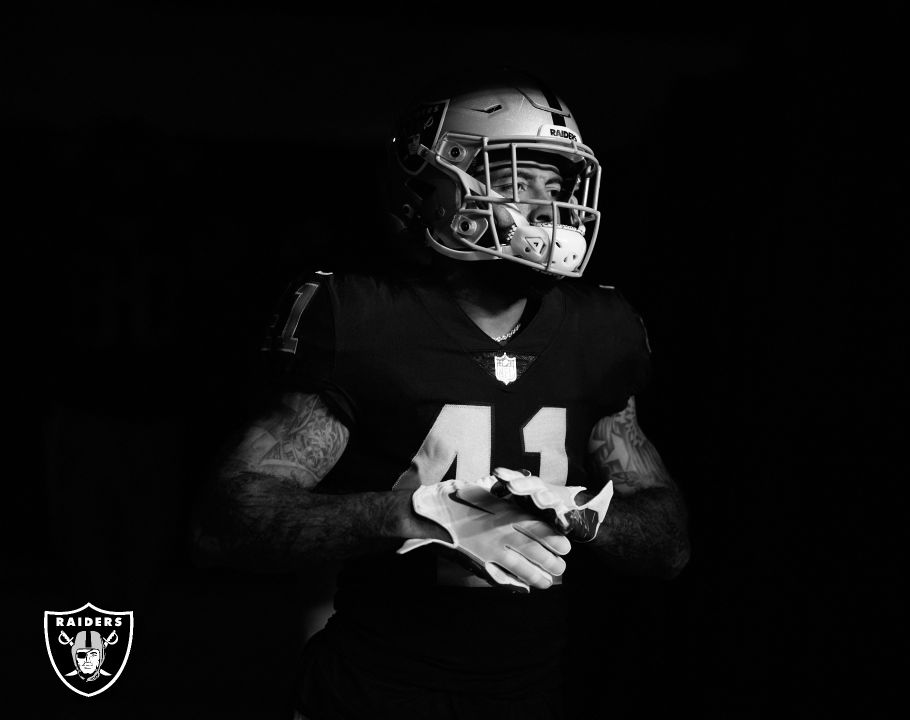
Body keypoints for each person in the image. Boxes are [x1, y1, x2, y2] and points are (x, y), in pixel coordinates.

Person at [191, 68, 690, 720]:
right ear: (437, 186)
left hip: (525, 698)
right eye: (519, 176)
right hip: (368, 694)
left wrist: (583, 514)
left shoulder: (600, 331)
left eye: (558, 182)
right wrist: (413, 515)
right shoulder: (368, 320)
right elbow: (225, 524)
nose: (549, 204)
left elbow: (669, 542)